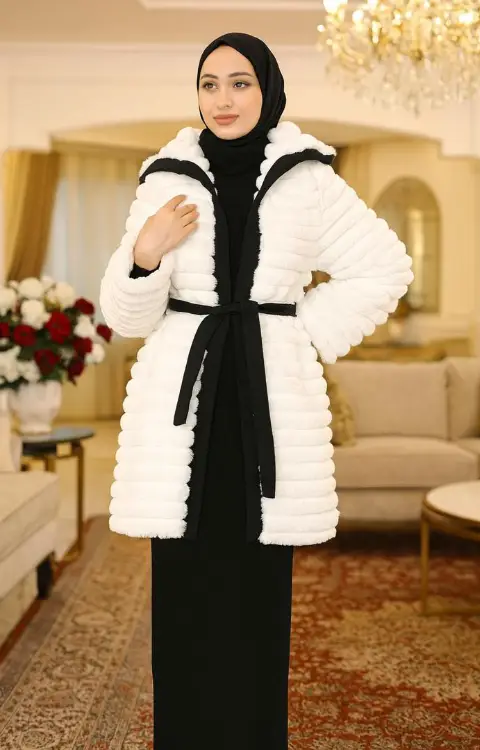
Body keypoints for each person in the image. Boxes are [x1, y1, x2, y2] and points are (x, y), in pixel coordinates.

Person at [100, 32, 413, 750]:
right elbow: (126, 318)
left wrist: (299, 333)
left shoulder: (310, 179)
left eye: (240, 83)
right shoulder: (166, 178)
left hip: (266, 410)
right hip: (184, 418)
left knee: (257, 598)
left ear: (267, 90)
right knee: (183, 597)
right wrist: (144, 254)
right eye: (209, 84)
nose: (223, 99)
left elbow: (384, 268)